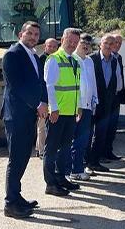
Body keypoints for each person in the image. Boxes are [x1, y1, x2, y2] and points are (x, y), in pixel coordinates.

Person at [1, 21, 49, 219]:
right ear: (21, 34)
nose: (33, 37)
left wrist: (44, 101)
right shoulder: (12, 55)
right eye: (29, 33)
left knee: (23, 158)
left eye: (36, 35)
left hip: (29, 114)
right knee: (16, 159)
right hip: (16, 116)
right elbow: (16, 86)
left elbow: (41, 82)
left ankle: (17, 196)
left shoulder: (34, 56)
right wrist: (38, 105)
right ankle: (10, 204)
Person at [42, 28, 83, 196]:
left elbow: (76, 87)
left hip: (70, 112)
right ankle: (50, 184)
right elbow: (49, 86)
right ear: (63, 39)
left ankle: (61, 177)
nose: (73, 45)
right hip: (57, 113)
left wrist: (78, 106)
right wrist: (53, 109)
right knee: (51, 149)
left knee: (65, 148)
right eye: (70, 41)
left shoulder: (75, 60)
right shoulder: (54, 59)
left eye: (75, 42)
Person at [66, 33, 98, 181]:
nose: (85, 46)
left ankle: (78, 168)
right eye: (82, 43)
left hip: (87, 106)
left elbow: (92, 83)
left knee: (83, 140)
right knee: (74, 140)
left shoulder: (90, 61)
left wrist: (94, 101)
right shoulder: (72, 60)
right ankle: (74, 170)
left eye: (88, 44)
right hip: (75, 106)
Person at [88, 35, 118, 172]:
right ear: (100, 44)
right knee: (86, 134)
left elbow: (114, 82)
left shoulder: (114, 61)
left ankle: (94, 161)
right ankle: (84, 162)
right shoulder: (91, 59)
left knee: (101, 134)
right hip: (91, 103)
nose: (108, 45)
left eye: (111, 43)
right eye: (106, 42)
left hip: (106, 104)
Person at [35, 38, 60, 157]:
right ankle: (41, 151)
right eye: (49, 46)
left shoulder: (58, 59)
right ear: (45, 46)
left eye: (54, 47)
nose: (52, 49)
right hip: (43, 97)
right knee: (42, 125)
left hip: (54, 96)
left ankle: (40, 147)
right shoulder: (41, 59)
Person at [104, 33, 125, 161]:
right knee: (103, 127)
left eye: (119, 43)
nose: (117, 45)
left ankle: (109, 151)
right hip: (106, 98)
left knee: (112, 126)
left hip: (116, 97)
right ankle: (100, 154)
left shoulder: (119, 58)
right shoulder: (101, 58)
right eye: (115, 42)